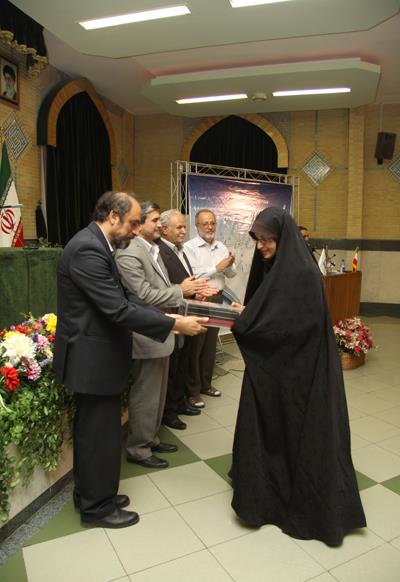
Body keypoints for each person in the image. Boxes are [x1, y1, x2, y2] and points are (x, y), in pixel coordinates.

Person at [53, 191, 207, 529]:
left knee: (98, 434)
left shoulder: (98, 244)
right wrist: (172, 324)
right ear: (113, 215)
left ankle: (91, 494)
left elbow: (123, 297)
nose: (137, 230)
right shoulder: (88, 248)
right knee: (98, 437)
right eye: (134, 223)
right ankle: (97, 508)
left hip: (98, 358)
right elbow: (118, 309)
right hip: (92, 361)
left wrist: (167, 319)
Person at [230, 206, 366, 546]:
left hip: (301, 373)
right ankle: (268, 494)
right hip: (274, 369)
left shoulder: (302, 273)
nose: (260, 246)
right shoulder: (272, 266)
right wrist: (249, 315)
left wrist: (248, 321)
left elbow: (295, 326)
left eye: (267, 239)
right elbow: (269, 312)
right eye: (257, 239)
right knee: (273, 429)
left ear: (283, 237)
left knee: (298, 431)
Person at [115, 202, 206, 468]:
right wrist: (181, 290)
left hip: (162, 329)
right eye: (154, 220)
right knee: (146, 394)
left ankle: (150, 438)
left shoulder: (151, 248)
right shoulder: (129, 252)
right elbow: (143, 295)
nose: (159, 225)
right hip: (146, 334)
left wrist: (183, 296)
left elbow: (161, 288)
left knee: (157, 394)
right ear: (138, 223)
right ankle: (138, 448)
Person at [158, 209, 216, 429]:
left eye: (184, 226)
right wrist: (187, 292)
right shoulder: (160, 251)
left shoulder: (179, 249)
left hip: (187, 311)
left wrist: (196, 294)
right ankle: (169, 411)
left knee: (183, 362)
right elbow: (166, 286)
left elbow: (186, 281)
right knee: (173, 366)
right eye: (179, 227)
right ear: (165, 230)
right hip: (173, 314)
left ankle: (179, 402)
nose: (184, 231)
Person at [184, 208, 236, 408]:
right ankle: (193, 391)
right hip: (200, 299)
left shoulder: (221, 246)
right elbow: (193, 275)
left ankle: (206, 385)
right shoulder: (189, 247)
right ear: (196, 226)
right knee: (195, 347)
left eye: (212, 223)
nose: (209, 227)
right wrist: (217, 267)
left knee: (210, 346)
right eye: (205, 223)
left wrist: (230, 265)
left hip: (217, 299)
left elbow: (230, 275)